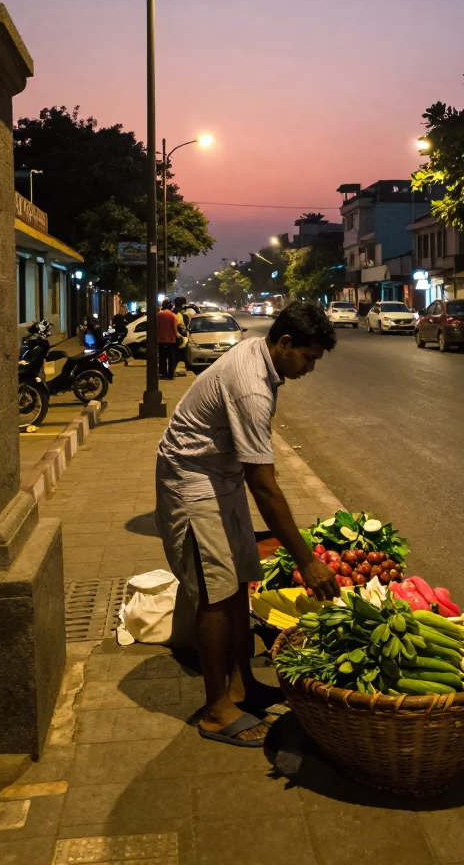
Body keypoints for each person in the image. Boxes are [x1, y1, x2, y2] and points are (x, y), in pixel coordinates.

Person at [154, 301, 339, 748]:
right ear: (286, 343)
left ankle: (243, 686)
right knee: (216, 594)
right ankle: (216, 708)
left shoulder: (263, 356)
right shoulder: (252, 387)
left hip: (221, 474)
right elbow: (265, 484)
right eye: (309, 358)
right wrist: (306, 560)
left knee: (239, 582)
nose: (311, 369)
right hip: (191, 477)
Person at [157, 298, 181, 380]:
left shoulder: (158, 315)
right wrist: (179, 336)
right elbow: (175, 330)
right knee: (172, 358)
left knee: (162, 358)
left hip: (160, 340)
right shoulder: (173, 316)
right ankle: (170, 375)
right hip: (171, 340)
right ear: (170, 306)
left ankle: (162, 373)